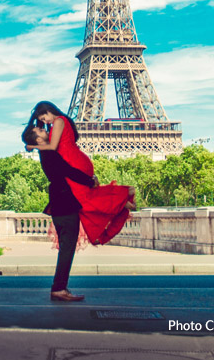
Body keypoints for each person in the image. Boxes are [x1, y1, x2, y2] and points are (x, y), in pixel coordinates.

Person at [25, 101, 136, 247]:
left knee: (84, 201)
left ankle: (120, 203)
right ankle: (123, 200)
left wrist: (32, 146)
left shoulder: (58, 121)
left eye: (44, 118)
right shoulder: (62, 122)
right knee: (85, 198)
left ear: (48, 111)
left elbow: (52, 147)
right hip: (77, 159)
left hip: (73, 161)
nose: (45, 122)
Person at [22, 124, 96, 302]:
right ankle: (59, 288)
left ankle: (59, 287)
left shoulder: (44, 151)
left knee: (66, 247)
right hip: (65, 204)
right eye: (41, 130)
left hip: (58, 204)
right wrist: (90, 181)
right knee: (67, 248)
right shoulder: (49, 153)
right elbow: (68, 171)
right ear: (38, 139)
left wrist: (31, 145)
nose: (45, 129)